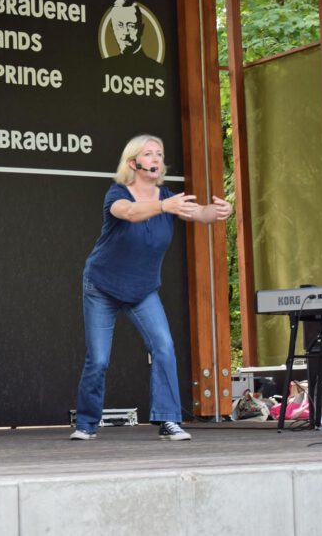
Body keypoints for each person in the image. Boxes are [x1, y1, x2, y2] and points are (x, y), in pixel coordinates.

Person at [71, 134, 232, 442]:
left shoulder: (169, 199)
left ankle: (168, 421)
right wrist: (163, 206)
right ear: (133, 162)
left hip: (142, 289)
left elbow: (201, 214)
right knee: (99, 359)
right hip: (101, 286)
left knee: (164, 347)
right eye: (149, 153)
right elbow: (130, 213)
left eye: (159, 153)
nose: (156, 158)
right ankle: (86, 423)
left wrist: (222, 212)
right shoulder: (116, 194)